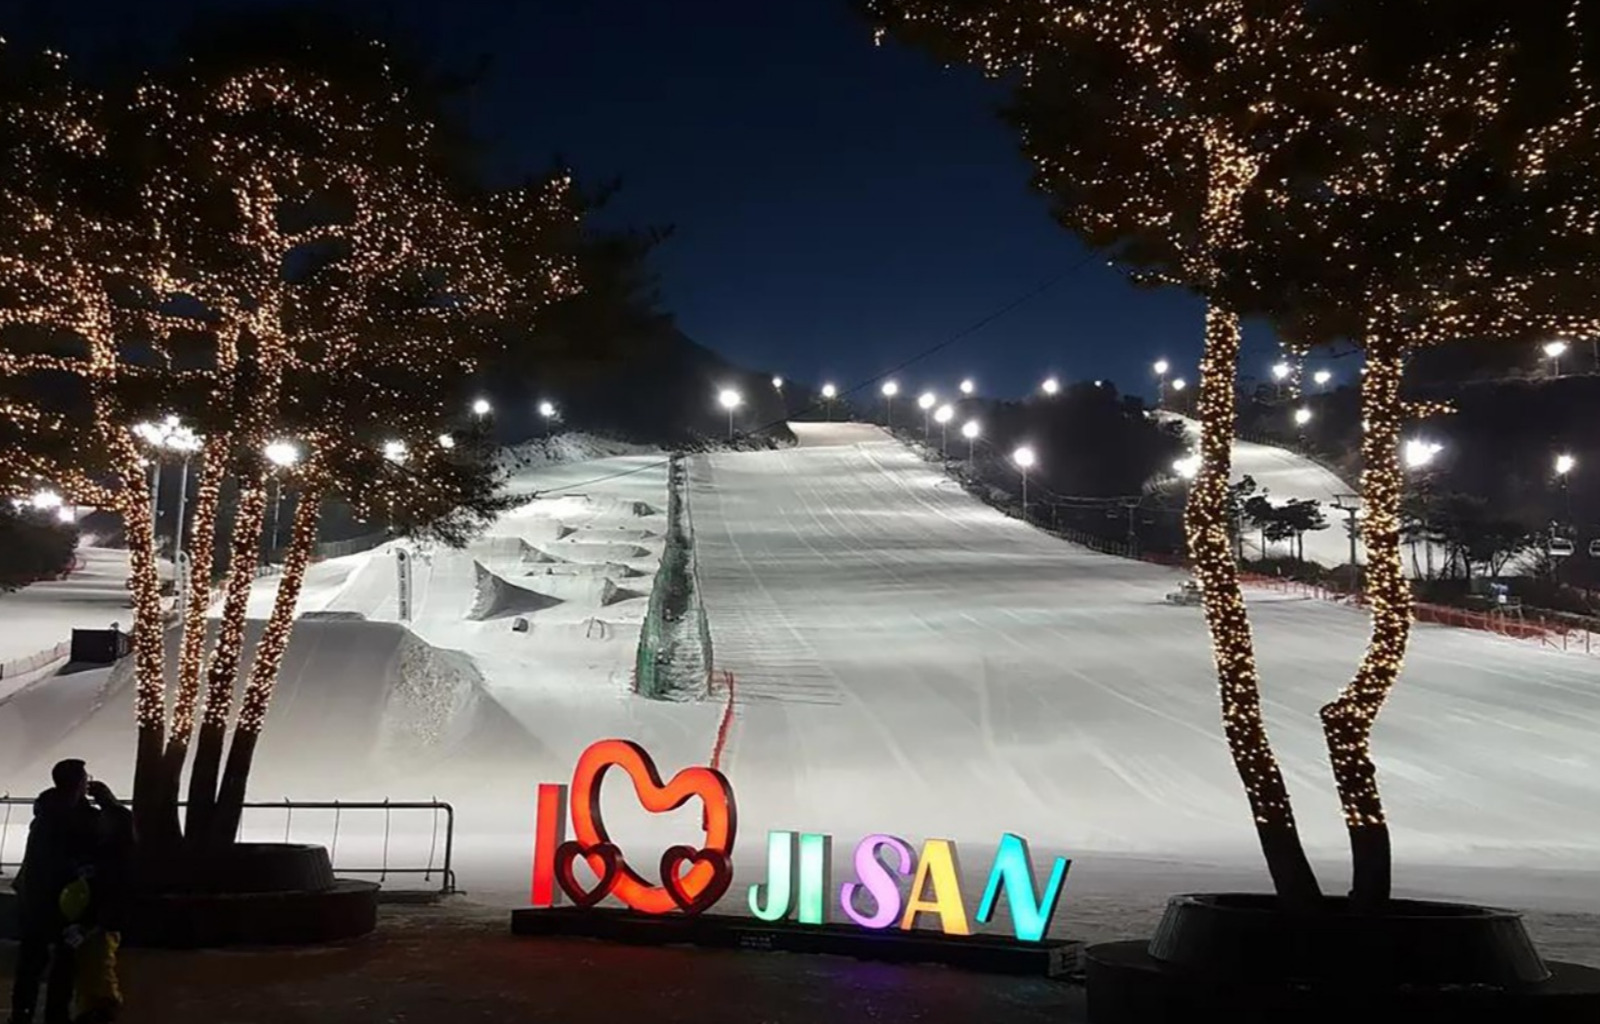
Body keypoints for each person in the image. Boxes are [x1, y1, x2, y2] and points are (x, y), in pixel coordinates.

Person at [7, 760, 100, 1024]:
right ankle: (56, 1014)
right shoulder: (83, 818)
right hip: (67, 899)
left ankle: (21, 1013)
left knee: (31, 963)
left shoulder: (44, 814)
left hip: (35, 898)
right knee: (64, 962)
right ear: (80, 782)